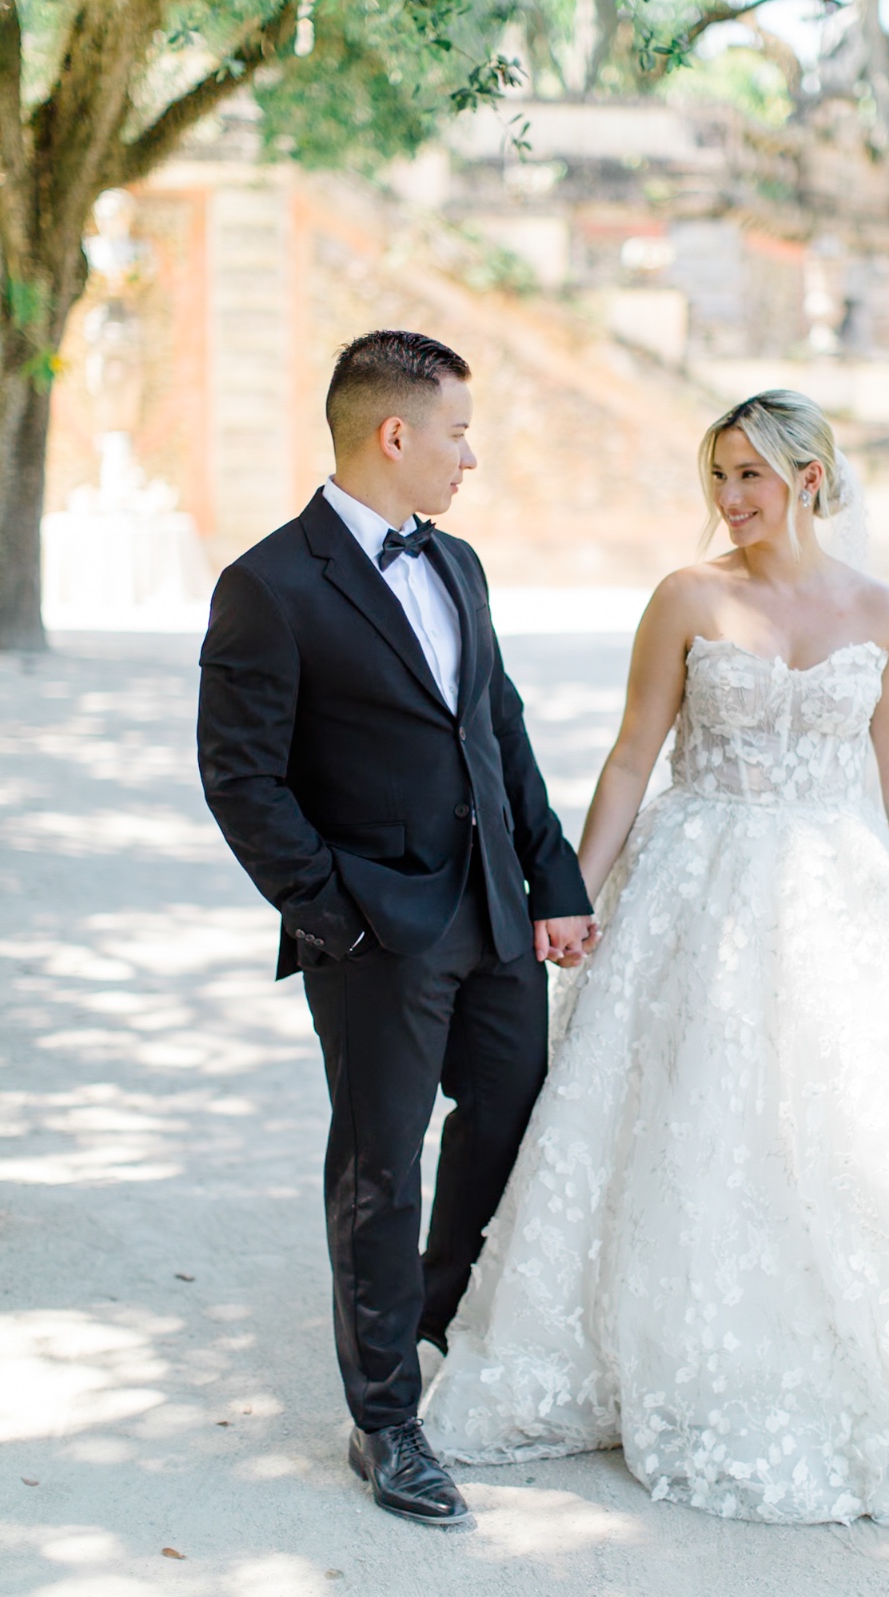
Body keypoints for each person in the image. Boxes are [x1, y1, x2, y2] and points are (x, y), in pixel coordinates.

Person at [422, 390, 889, 1534]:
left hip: (837, 900)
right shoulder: (688, 597)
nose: (732, 499)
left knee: (847, 1127)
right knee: (685, 1115)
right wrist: (574, 891)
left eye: (752, 475)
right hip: (696, 887)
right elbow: (636, 754)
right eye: (720, 476)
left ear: (813, 478)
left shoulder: (885, 613)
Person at [197, 330, 595, 1528]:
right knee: (381, 1161)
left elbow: (498, 726)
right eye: (459, 431)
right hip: (376, 928)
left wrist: (555, 873)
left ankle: (426, 1308)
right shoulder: (270, 583)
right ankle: (386, 1418)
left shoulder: (461, 562)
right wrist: (336, 916)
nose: (471, 455)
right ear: (395, 434)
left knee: (515, 1104)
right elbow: (239, 776)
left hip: (495, 908)